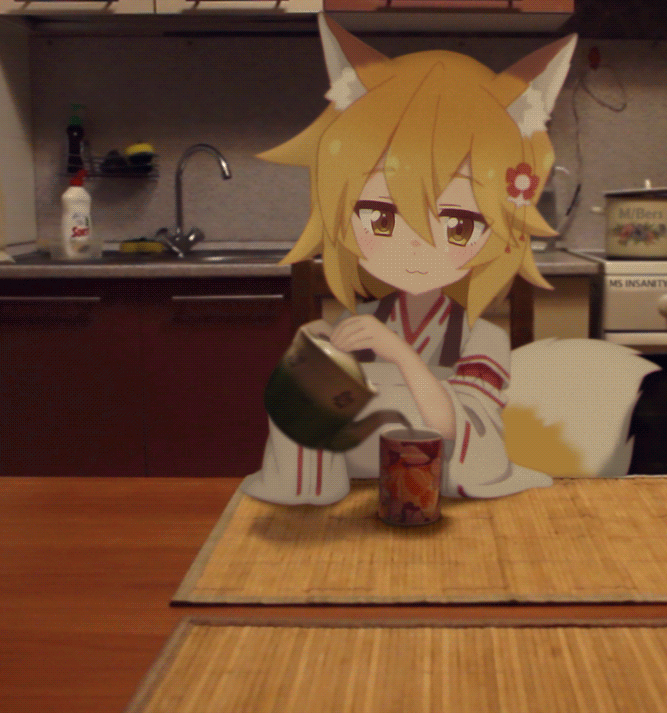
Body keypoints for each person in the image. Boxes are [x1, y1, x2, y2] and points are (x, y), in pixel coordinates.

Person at [241, 14, 578, 506]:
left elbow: (454, 432)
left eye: (458, 225)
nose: (417, 244)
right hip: (359, 492)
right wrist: (313, 360)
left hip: (438, 491)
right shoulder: (356, 327)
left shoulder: (483, 339)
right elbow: (325, 425)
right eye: (380, 218)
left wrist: (398, 353)